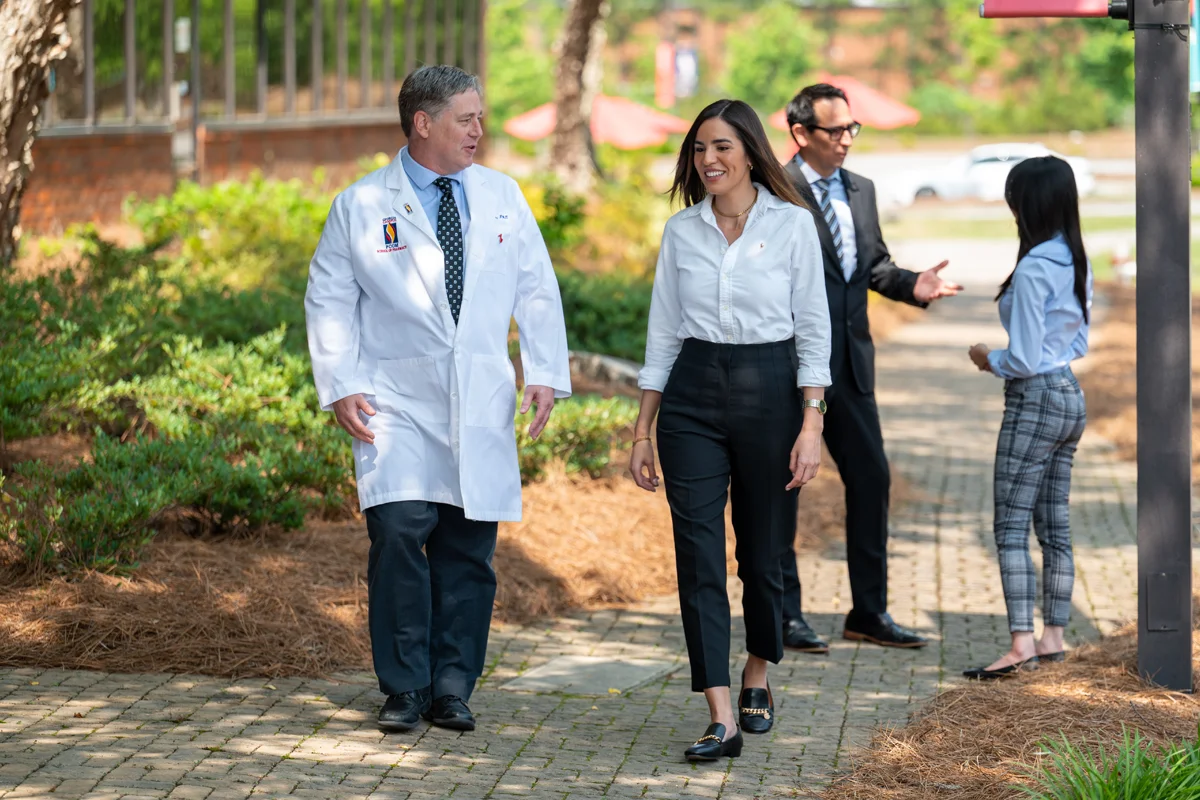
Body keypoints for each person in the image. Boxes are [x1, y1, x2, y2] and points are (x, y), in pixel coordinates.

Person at [305, 65, 571, 732]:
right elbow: (330, 296)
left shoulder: (504, 196)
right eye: (466, 118)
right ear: (423, 124)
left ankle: (453, 685)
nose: (479, 129)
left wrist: (543, 369)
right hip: (394, 403)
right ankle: (404, 687)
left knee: (468, 551)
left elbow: (537, 289)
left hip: (479, 400)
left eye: (480, 117)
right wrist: (342, 384)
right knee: (397, 537)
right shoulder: (362, 205)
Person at [629, 99, 831, 762]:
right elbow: (661, 334)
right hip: (691, 395)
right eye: (698, 150)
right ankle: (721, 714)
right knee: (698, 555)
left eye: (721, 147)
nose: (708, 160)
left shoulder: (793, 225)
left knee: (764, 554)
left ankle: (757, 673)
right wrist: (642, 429)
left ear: (749, 150)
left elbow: (813, 330)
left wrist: (811, 422)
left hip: (771, 392)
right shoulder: (681, 232)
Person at [779, 84, 962, 653]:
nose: (846, 140)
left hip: (851, 368)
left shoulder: (862, 190)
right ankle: (783, 615)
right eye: (834, 131)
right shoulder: (773, 190)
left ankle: (868, 612)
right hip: (787, 370)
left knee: (872, 480)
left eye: (851, 129)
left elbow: (874, 265)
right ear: (801, 135)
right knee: (780, 491)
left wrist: (914, 285)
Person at [964, 156, 1091, 680]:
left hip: (1035, 398)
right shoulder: (1070, 257)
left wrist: (987, 357)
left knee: (1011, 528)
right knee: (1054, 528)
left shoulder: (1036, 265)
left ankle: (1020, 644)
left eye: (1013, 196)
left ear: (1027, 203)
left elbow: (1024, 356)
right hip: (1069, 394)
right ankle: (1052, 638)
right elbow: (1075, 341)